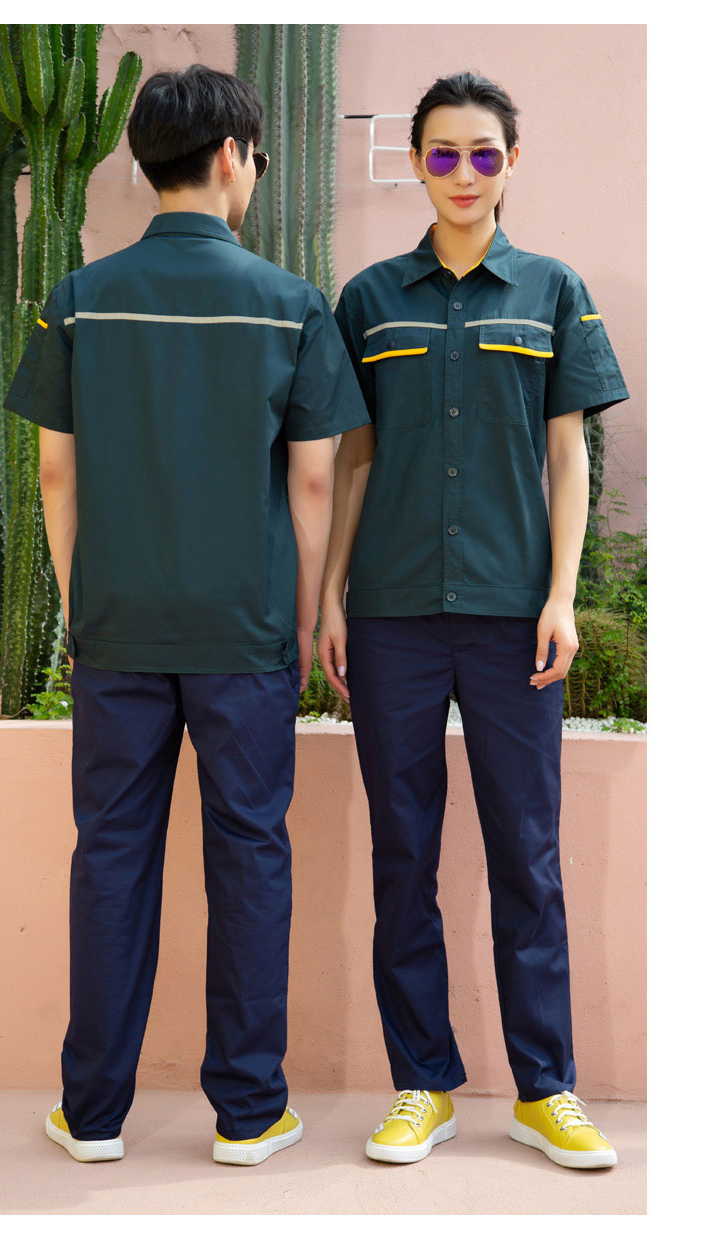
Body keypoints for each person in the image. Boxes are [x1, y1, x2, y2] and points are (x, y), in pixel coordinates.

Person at [3, 63, 370, 1167]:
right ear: (230, 157)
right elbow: (314, 479)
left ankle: (92, 1114)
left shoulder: (79, 298)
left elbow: (54, 475)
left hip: (117, 626)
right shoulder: (291, 304)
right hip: (244, 630)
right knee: (251, 855)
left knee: (111, 855)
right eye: (256, 158)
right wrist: (302, 618)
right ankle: (249, 1113)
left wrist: (83, 600)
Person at [319, 70, 629, 1169]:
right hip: (392, 615)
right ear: (415, 163)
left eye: (482, 153)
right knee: (403, 853)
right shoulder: (369, 299)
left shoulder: (552, 290)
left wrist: (561, 597)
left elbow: (567, 455)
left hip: (511, 619)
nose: (462, 172)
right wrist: (332, 597)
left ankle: (546, 1088)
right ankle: (423, 1084)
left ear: (510, 162)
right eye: (442, 153)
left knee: (525, 855)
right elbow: (354, 457)